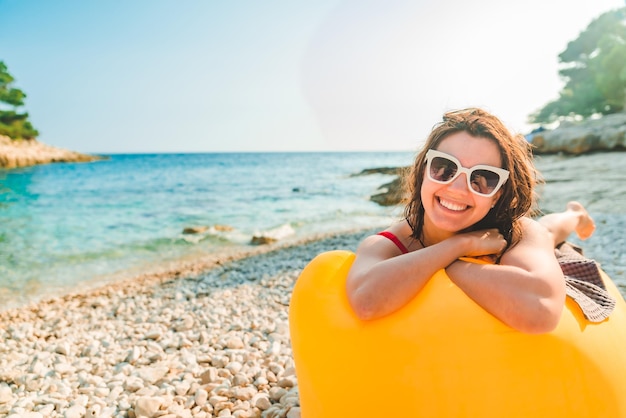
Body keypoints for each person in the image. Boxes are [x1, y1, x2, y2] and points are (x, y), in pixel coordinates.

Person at [346, 108, 596, 334]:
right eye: (444, 167)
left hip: (531, 232)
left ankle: (574, 213)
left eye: (483, 177)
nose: (457, 188)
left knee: (549, 231)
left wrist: (437, 264)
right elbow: (366, 303)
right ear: (423, 171)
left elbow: (540, 313)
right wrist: (457, 248)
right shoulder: (386, 244)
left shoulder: (516, 234)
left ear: (498, 193)